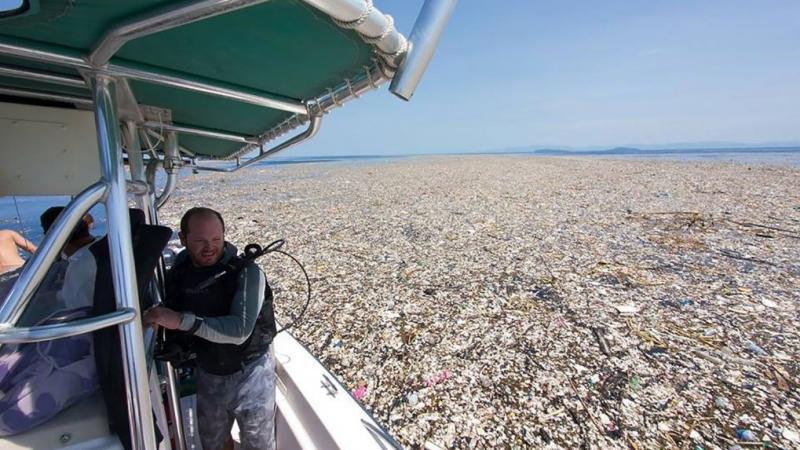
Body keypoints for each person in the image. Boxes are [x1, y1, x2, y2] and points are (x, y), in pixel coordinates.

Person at [144, 207, 277, 450]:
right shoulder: (180, 273)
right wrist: (177, 342)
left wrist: (180, 321)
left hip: (252, 372)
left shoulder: (248, 273)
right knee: (212, 441)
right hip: (209, 372)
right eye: (199, 241)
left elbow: (239, 331)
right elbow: (176, 305)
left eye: (216, 239)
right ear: (183, 239)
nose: (209, 247)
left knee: (259, 443)